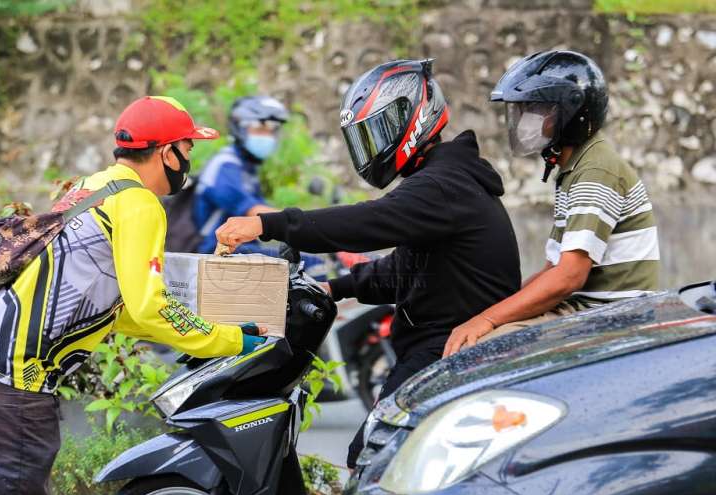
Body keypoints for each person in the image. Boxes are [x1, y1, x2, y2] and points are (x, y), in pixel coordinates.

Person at [0, 96, 267, 495]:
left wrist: (220, 332)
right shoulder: (139, 205)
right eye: (187, 149)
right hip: (9, 382)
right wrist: (231, 341)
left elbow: (119, 310)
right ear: (165, 152)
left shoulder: (92, 187)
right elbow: (149, 307)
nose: (189, 160)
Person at [216, 59, 522, 468]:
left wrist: (268, 224)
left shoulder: (443, 185)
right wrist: (335, 288)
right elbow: (405, 269)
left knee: (371, 457)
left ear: (413, 120)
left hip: (448, 348)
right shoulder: (443, 182)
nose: (373, 146)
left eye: (378, 131)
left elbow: (368, 222)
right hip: (441, 345)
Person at [443, 50, 660, 356]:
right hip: (584, 307)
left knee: (479, 351)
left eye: (536, 109)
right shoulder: (576, 168)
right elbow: (552, 270)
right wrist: (494, 311)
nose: (525, 119)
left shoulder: (595, 172)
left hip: (607, 316)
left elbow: (568, 276)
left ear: (571, 112)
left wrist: (486, 319)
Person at [193, 95, 288, 254]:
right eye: (259, 129)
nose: (266, 136)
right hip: (215, 252)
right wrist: (306, 223)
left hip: (241, 249)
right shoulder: (226, 166)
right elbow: (255, 212)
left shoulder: (246, 167)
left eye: (271, 131)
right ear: (239, 128)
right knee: (309, 263)